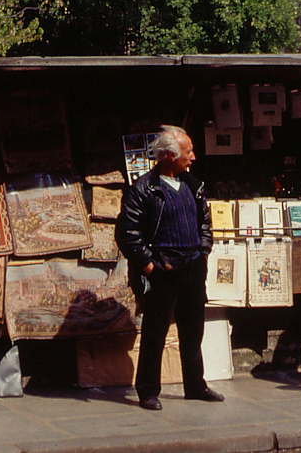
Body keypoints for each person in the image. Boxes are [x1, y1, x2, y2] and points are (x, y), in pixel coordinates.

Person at [116, 125, 223, 410]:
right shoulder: (144, 189)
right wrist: (150, 266)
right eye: (188, 152)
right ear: (168, 155)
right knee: (155, 334)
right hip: (163, 271)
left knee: (193, 332)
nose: (193, 157)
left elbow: (205, 224)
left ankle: (195, 386)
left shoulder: (194, 185)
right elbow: (128, 233)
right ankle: (148, 391)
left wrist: (202, 252)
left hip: (192, 268)